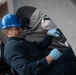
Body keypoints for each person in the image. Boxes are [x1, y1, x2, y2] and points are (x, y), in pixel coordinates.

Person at [0, 14, 76, 75]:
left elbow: (40, 46)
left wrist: (49, 34)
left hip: (46, 65)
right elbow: (24, 71)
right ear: (8, 32)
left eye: (21, 27)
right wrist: (50, 57)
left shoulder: (19, 41)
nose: (21, 30)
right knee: (71, 67)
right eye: (17, 28)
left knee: (71, 52)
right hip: (42, 72)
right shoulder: (11, 48)